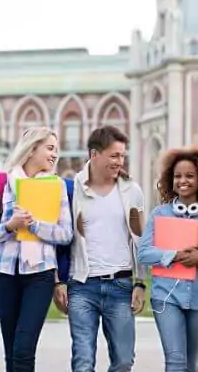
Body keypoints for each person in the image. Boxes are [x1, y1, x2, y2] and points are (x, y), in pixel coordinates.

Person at [53, 125, 146, 372]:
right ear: (95, 155)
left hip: (121, 286)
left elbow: (140, 238)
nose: (120, 161)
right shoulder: (72, 191)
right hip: (82, 287)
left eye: (122, 155)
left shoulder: (132, 191)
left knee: (124, 361)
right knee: (83, 362)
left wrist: (140, 283)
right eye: (114, 155)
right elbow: (61, 240)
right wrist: (58, 281)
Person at [0, 127, 73, 372]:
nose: (55, 155)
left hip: (40, 276)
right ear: (32, 149)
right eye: (50, 148)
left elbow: (66, 234)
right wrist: (11, 226)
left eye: (57, 149)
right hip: (5, 275)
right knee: (11, 352)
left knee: (24, 349)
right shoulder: (2, 183)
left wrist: (35, 226)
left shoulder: (57, 186)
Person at [137, 146, 198, 372]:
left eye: (189, 176)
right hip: (166, 297)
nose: (182, 181)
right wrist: (174, 255)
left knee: (193, 363)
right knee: (175, 361)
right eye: (177, 176)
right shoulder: (159, 214)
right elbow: (143, 253)